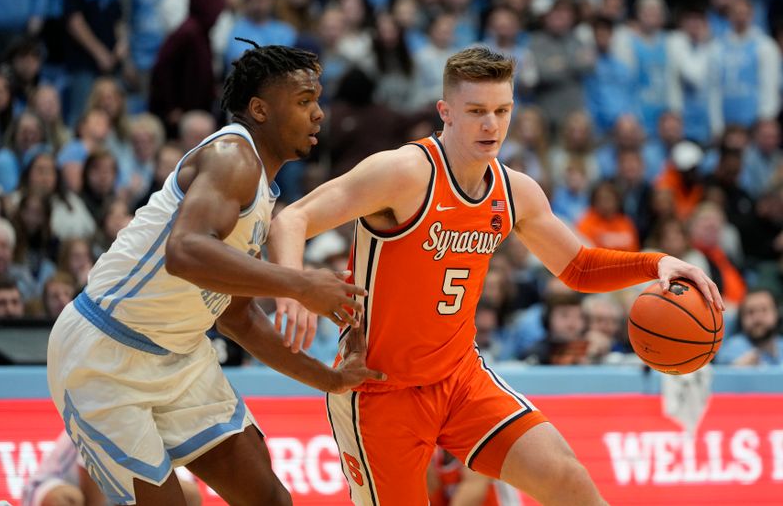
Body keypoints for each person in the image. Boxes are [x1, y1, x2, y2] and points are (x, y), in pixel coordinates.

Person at [268, 46, 724, 505]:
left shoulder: (516, 191)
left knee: (569, 480)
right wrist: (293, 288)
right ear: (445, 112)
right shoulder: (403, 172)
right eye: (477, 111)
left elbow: (579, 267)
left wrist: (655, 262)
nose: (492, 125)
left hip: (461, 379)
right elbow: (292, 219)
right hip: (379, 390)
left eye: (502, 110)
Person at [46, 42, 383, 506]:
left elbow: (236, 319)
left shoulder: (262, 192)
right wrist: (300, 284)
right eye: (305, 101)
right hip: (105, 352)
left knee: (269, 499)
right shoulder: (231, 157)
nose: (319, 114)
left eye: (318, 100)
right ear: (260, 110)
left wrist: (331, 378)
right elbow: (183, 251)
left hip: (181, 355)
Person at [21, 430, 202, 506]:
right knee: (66, 499)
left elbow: (189, 493)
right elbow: (94, 494)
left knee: (187, 496)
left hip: (121, 491)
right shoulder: (102, 418)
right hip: (64, 485)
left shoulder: (161, 424)